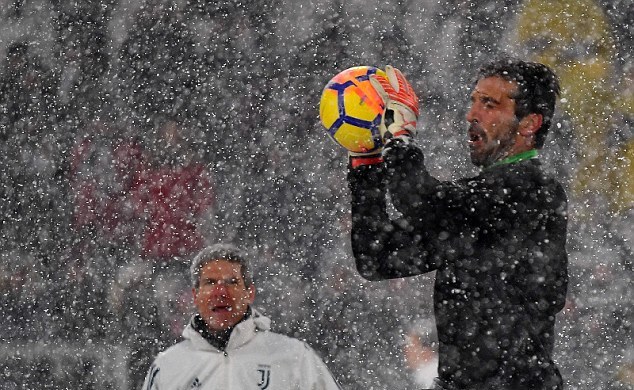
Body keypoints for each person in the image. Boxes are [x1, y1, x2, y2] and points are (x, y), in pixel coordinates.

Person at [347, 58, 568, 389]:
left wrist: (400, 138)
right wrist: (367, 164)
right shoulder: (477, 205)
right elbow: (376, 257)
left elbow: (421, 200)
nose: (471, 114)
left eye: (489, 104)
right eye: (474, 100)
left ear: (529, 124)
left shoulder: (533, 189)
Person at [141, 243, 341, 389]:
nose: (220, 292)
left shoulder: (294, 357)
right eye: (210, 283)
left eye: (231, 282)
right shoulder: (169, 365)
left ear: (250, 293)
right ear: (195, 295)